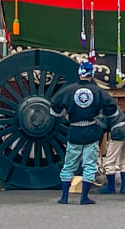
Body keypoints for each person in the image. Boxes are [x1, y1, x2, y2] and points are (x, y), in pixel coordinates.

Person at [50, 60, 118, 205]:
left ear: (79, 73)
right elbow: (112, 107)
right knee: (89, 165)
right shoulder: (98, 91)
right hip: (91, 131)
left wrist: (63, 113)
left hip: (74, 131)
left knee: (69, 165)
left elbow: (54, 104)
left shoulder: (69, 90)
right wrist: (102, 115)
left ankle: (64, 197)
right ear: (91, 74)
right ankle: (84, 197)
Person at [99, 107, 125, 194]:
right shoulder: (116, 107)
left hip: (118, 133)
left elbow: (102, 125)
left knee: (110, 161)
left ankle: (111, 188)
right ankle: (124, 188)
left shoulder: (102, 109)